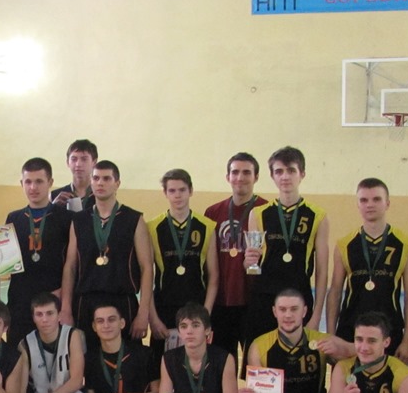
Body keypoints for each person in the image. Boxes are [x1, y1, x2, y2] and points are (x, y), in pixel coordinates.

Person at [59, 160, 153, 345]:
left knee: (124, 358)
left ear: (117, 183)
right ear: (91, 182)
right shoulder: (79, 220)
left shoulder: (134, 219)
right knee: (88, 359)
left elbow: (147, 268)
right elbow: (70, 266)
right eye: (96, 178)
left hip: (122, 301)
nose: (100, 183)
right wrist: (66, 308)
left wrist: (143, 313)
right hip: (86, 303)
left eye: (106, 178)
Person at [245, 146, 330, 349]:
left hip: (299, 297)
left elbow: (322, 271)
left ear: (302, 174)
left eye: (291, 170)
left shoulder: (318, 216)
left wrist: (316, 315)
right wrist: (247, 262)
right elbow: (252, 267)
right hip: (264, 298)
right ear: (272, 176)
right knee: (260, 361)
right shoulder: (258, 214)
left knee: (297, 360)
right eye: (279, 171)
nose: (285, 176)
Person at [327, 178, 408, 361]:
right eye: (364, 200)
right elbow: (335, 291)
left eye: (376, 199)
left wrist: (407, 340)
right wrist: (331, 336)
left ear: (387, 203)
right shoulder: (344, 244)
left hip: (389, 328)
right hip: (350, 328)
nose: (369, 205)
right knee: (347, 379)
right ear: (357, 205)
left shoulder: (405, 244)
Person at [147, 168, 218, 370]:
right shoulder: (152, 227)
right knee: (162, 367)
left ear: (191, 191)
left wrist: (205, 314)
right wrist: (153, 318)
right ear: (165, 193)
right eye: (172, 190)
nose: (177, 195)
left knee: (196, 366)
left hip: (196, 305)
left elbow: (214, 277)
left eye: (182, 190)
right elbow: (147, 276)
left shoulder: (207, 226)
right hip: (164, 307)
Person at [204, 152, 268, 367]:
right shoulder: (213, 212)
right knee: (221, 366)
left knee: (256, 366)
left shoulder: (266, 211)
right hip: (221, 302)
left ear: (256, 177)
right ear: (227, 177)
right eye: (235, 172)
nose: (240, 177)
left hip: (255, 302)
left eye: (246, 172)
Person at [1, 158, 72, 348]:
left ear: (50, 182)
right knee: (19, 353)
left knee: (54, 354)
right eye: (28, 182)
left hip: (53, 299)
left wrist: (64, 299)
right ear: (22, 184)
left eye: (39, 181)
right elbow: (5, 264)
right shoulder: (13, 218)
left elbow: (73, 263)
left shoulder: (66, 218)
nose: (33, 187)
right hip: (20, 301)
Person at [50, 139, 97, 212]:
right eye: (74, 159)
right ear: (67, 162)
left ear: (94, 162)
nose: (78, 164)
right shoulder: (55, 196)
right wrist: (52, 207)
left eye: (84, 159)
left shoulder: (100, 195)